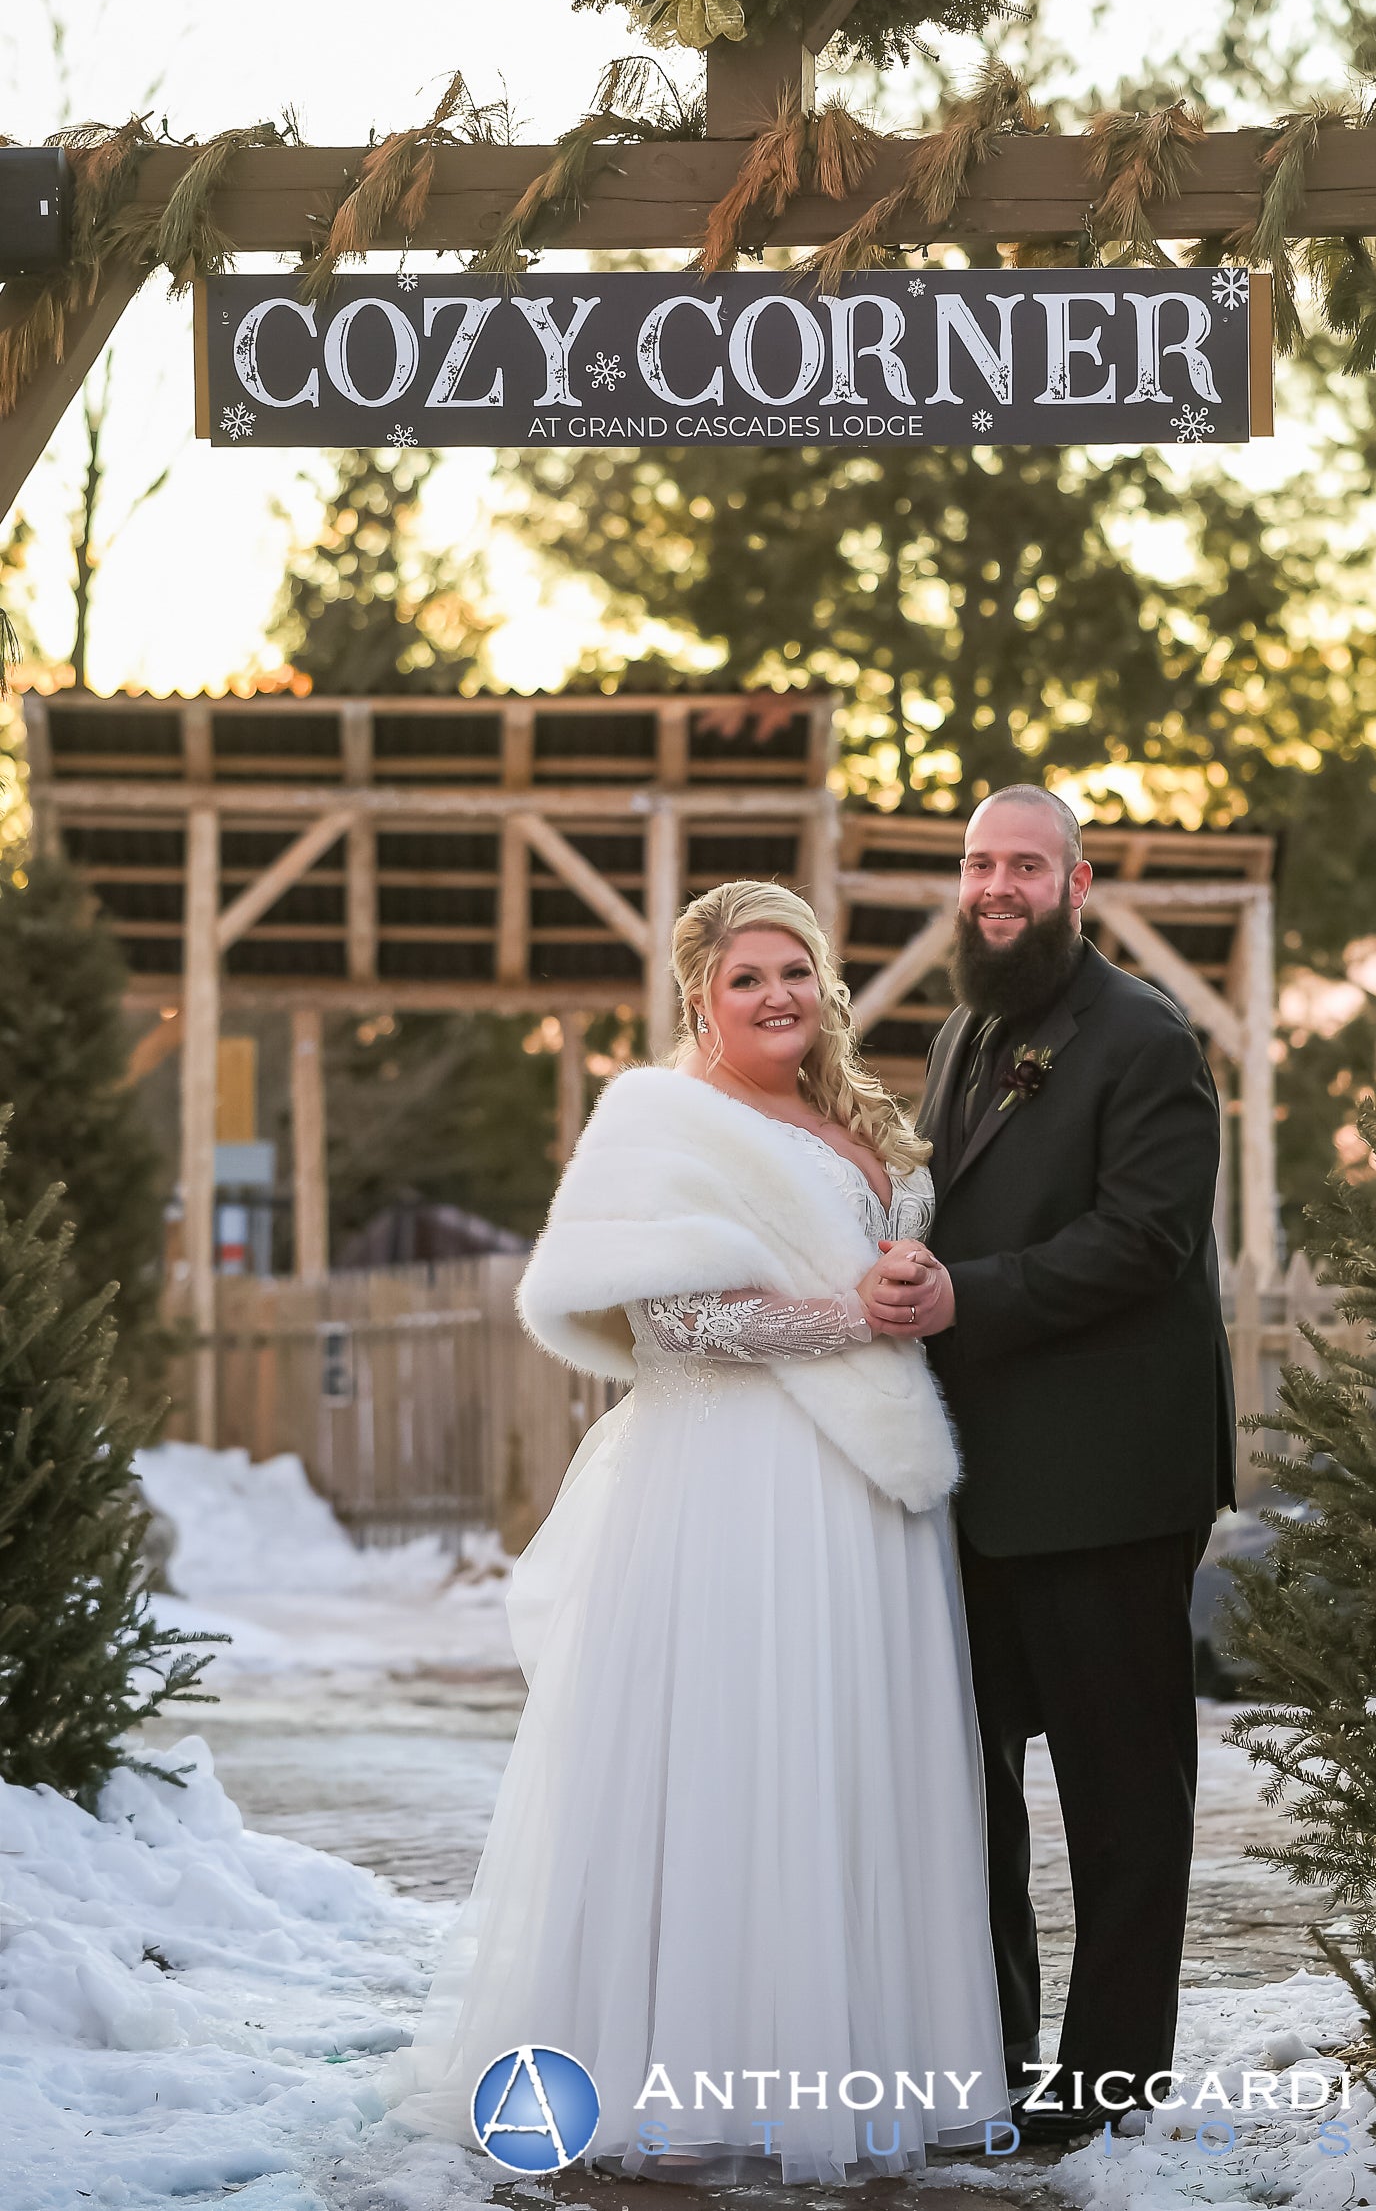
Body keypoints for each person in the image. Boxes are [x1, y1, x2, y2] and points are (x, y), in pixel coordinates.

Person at [384, 879, 1006, 2184]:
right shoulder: (661, 1120)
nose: (776, 993)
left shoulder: (856, 1120)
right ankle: (677, 2067)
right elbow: (669, 1322)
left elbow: (877, 1266)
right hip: (732, 1477)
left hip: (864, 1489)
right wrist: (854, 1314)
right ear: (698, 999)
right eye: (745, 977)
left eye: (796, 968)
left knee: (842, 1755)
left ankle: (843, 2064)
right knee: (732, 1755)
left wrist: (901, 1284)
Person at [859, 786, 1234, 2146]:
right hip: (983, 1487)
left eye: (1024, 862)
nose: (995, 884)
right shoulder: (965, 1030)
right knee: (970, 1786)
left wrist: (966, 1295)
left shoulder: (1143, 1037)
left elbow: (1145, 1239)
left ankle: (1106, 2085)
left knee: (1121, 1799)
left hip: (1112, 1487)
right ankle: (991, 2046)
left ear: (1078, 883)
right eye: (977, 863)